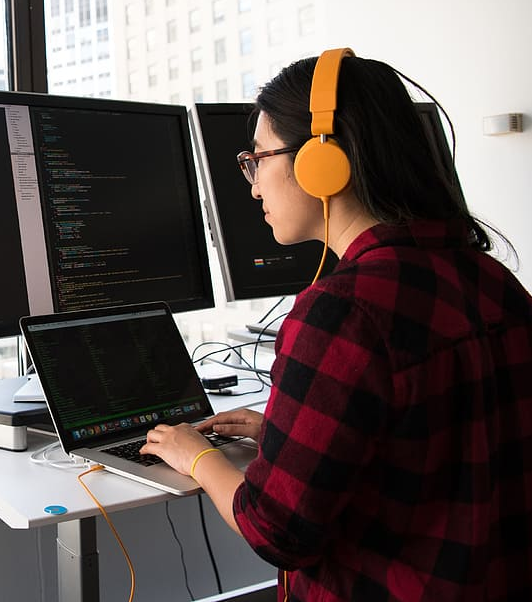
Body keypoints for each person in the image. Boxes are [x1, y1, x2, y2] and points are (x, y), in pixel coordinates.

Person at [140, 49, 532, 601]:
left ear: (321, 162)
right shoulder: (494, 279)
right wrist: (287, 432)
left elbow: (276, 529)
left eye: (257, 159)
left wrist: (195, 456)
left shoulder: (343, 312)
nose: (252, 186)